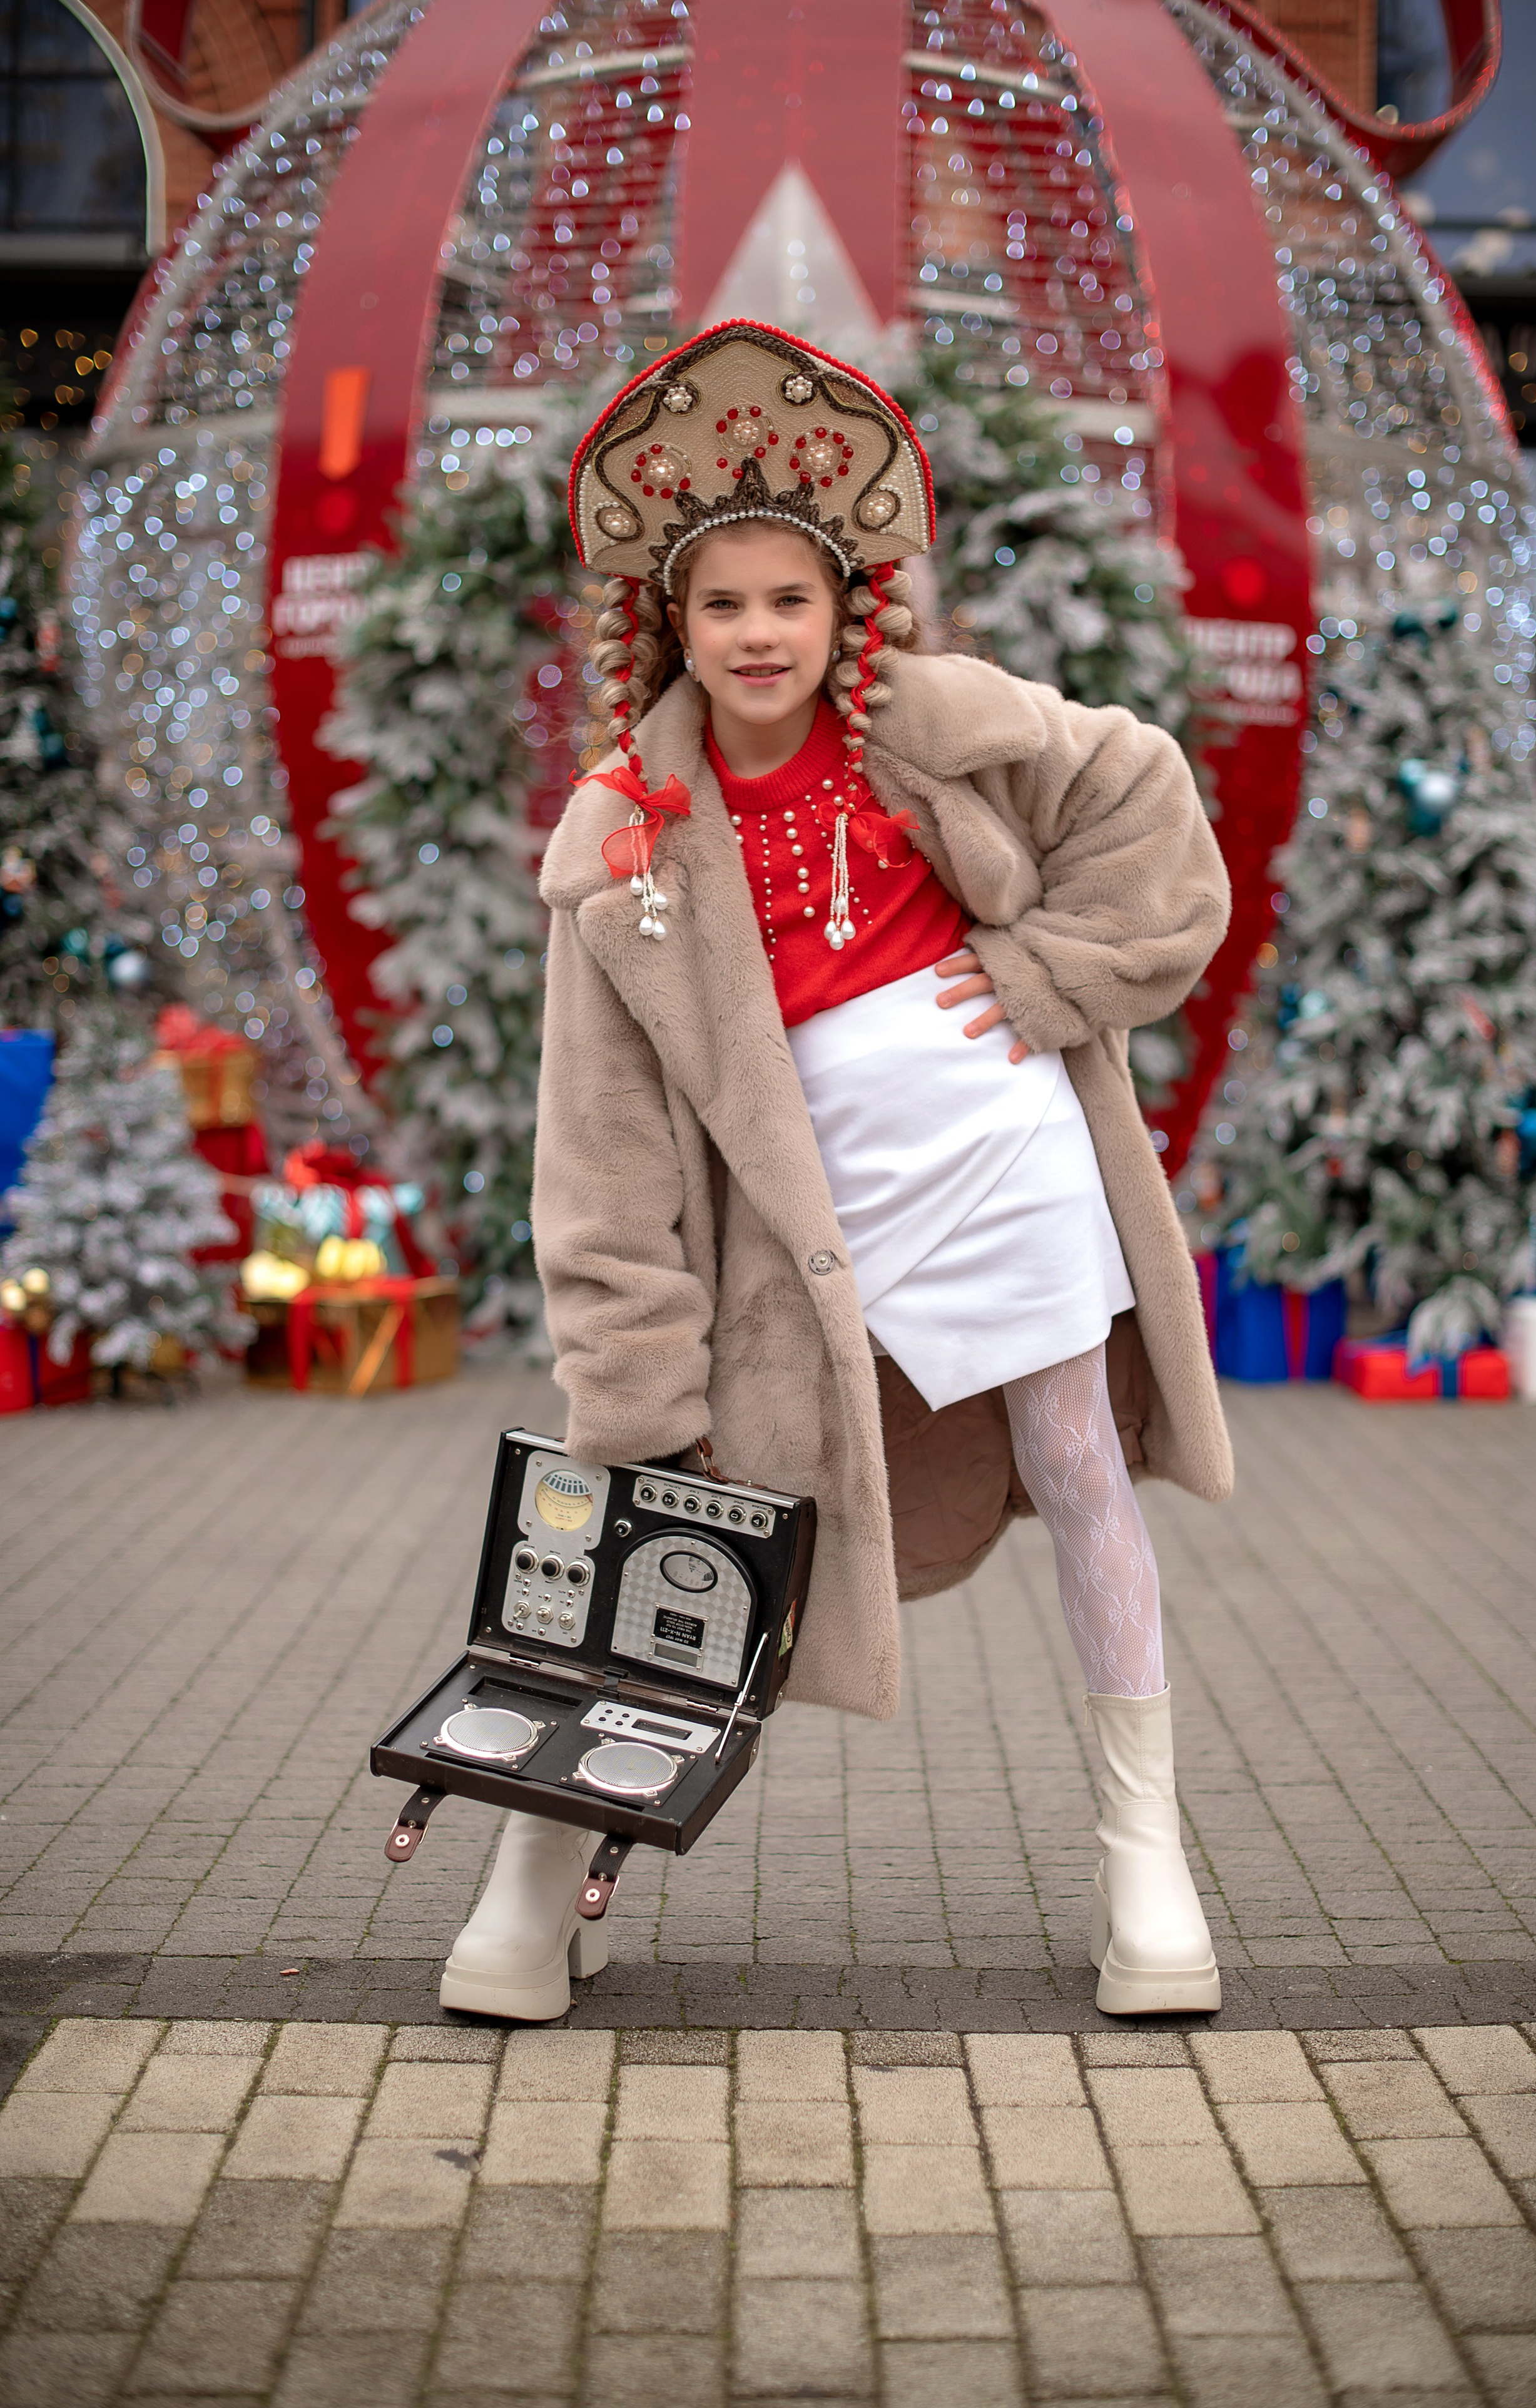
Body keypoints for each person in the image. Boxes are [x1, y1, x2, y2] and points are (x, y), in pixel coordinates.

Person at [440, 321, 1232, 2024]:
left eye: (786, 602)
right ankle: (540, 1863)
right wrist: (631, 1375)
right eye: (720, 605)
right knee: (682, 1513)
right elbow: (598, 1153)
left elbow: (1150, 804)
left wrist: (1043, 979)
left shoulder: (931, 724)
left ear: (842, 606)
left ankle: (1147, 1859)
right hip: (790, 1225)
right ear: (672, 618)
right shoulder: (624, 838)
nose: (755, 636)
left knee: (1077, 1454)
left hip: (999, 1150)